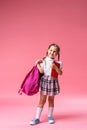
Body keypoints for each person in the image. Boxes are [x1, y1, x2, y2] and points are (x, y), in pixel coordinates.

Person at [29, 43, 63, 125]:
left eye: (55, 51)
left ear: (57, 54)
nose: (52, 52)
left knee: (51, 100)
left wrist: (55, 67)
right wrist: (38, 64)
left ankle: (50, 116)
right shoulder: (43, 60)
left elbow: (60, 73)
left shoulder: (59, 63)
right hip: (44, 81)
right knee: (42, 100)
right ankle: (37, 118)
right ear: (48, 50)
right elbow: (41, 71)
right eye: (51, 50)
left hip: (53, 81)